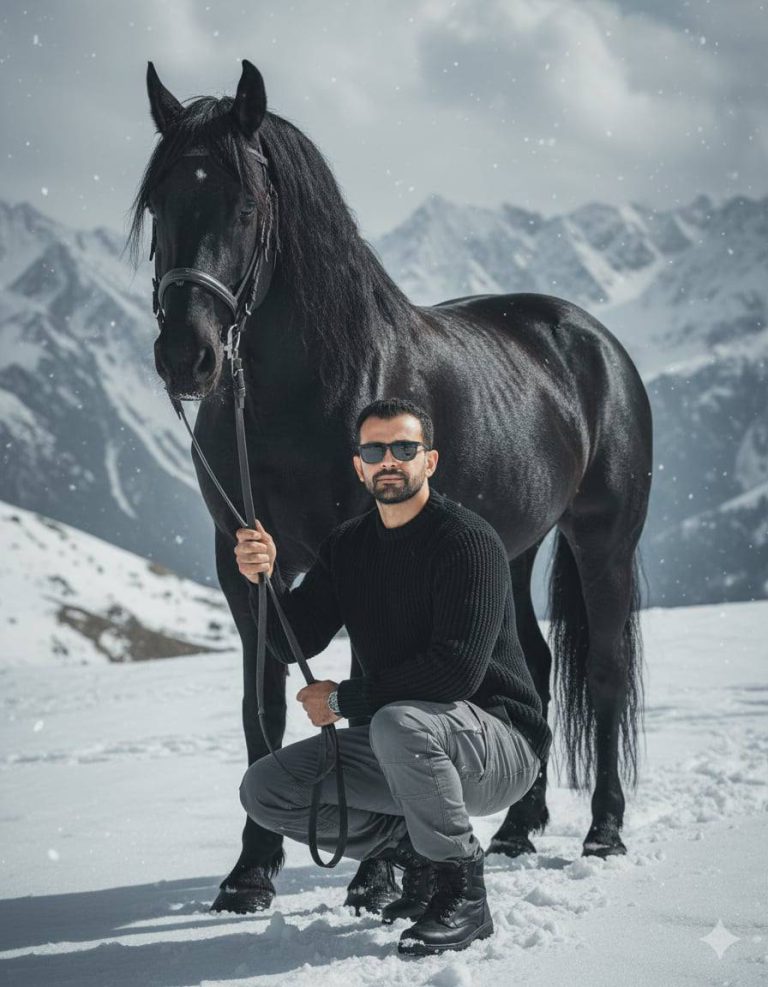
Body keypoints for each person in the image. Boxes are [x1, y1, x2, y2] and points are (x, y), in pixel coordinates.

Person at [236, 397, 552, 956]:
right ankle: (415, 854)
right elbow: (291, 641)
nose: (389, 460)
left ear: (430, 460)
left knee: (397, 721)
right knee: (266, 787)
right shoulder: (348, 546)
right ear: (358, 466)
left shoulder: (467, 541)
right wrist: (265, 580)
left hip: (499, 747)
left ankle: (462, 891)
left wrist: (343, 700)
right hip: (406, 745)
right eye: (375, 450)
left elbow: (455, 672)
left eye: (405, 448)